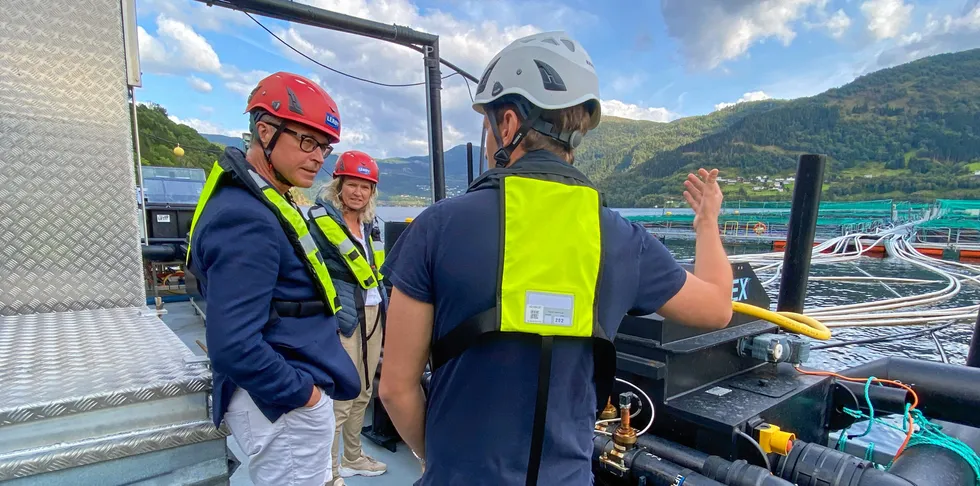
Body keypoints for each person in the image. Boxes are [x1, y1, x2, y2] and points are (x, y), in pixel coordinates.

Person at [377, 31, 735, 486]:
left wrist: (443, 461)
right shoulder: (624, 239)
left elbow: (394, 387)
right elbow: (718, 307)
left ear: (507, 124)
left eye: (487, 126)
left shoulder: (438, 226)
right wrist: (707, 222)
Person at [185, 71, 360, 486]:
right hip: (281, 407)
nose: (320, 157)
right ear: (264, 131)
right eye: (307, 141)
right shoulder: (247, 217)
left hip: (285, 399)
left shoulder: (260, 202)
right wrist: (307, 398)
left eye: (324, 146)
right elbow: (233, 346)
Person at [307, 150, 389, 485]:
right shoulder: (320, 220)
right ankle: (329, 472)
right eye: (352, 184)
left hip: (373, 311)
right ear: (338, 185)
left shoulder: (369, 224)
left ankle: (353, 457)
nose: (358, 192)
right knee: (342, 394)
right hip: (344, 315)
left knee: (364, 391)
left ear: (372, 192)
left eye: (365, 187)